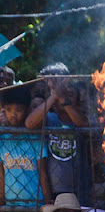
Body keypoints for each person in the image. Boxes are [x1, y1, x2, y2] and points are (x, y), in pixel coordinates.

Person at [24, 63, 89, 201]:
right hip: (54, 188)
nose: (63, 98)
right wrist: (55, 96)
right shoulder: (49, 118)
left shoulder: (78, 118)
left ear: (77, 100)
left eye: (69, 95)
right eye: (59, 95)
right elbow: (29, 123)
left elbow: (83, 123)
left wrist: (63, 98)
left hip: (79, 188)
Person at [0, 85, 51, 212]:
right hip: (12, 205)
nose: (13, 115)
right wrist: (1, 204)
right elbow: (1, 174)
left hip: (36, 203)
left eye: (19, 110)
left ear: (28, 110)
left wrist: (48, 205)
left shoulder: (34, 138)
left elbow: (43, 173)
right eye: (9, 110)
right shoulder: (2, 138)